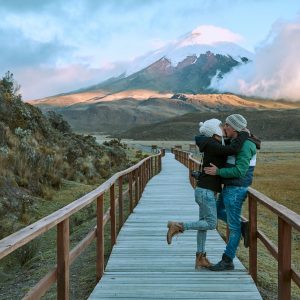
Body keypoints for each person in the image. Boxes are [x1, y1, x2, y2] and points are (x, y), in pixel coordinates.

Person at [166, 118, 249, 270]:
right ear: (214, 131)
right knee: (211, 223)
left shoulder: (212, 144)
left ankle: (200, 258)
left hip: (205, 190)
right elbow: (233, 150)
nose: (223, 128)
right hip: (205, 191)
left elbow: (229, 148)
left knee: (203, 225)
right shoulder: (212, 144)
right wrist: (243, 133)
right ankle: (178, 226)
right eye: (220, 126)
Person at [204, 114, 260, 271]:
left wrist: (218, 172)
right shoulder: (236, 142)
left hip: (236, 188)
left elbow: (241, 171)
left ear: (234, 127)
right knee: (214, 212)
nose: (224, 127)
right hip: (229, 187)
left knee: (233, 227)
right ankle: (242, 226)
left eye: (227, 125)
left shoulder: (246, 145)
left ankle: (227, 260)